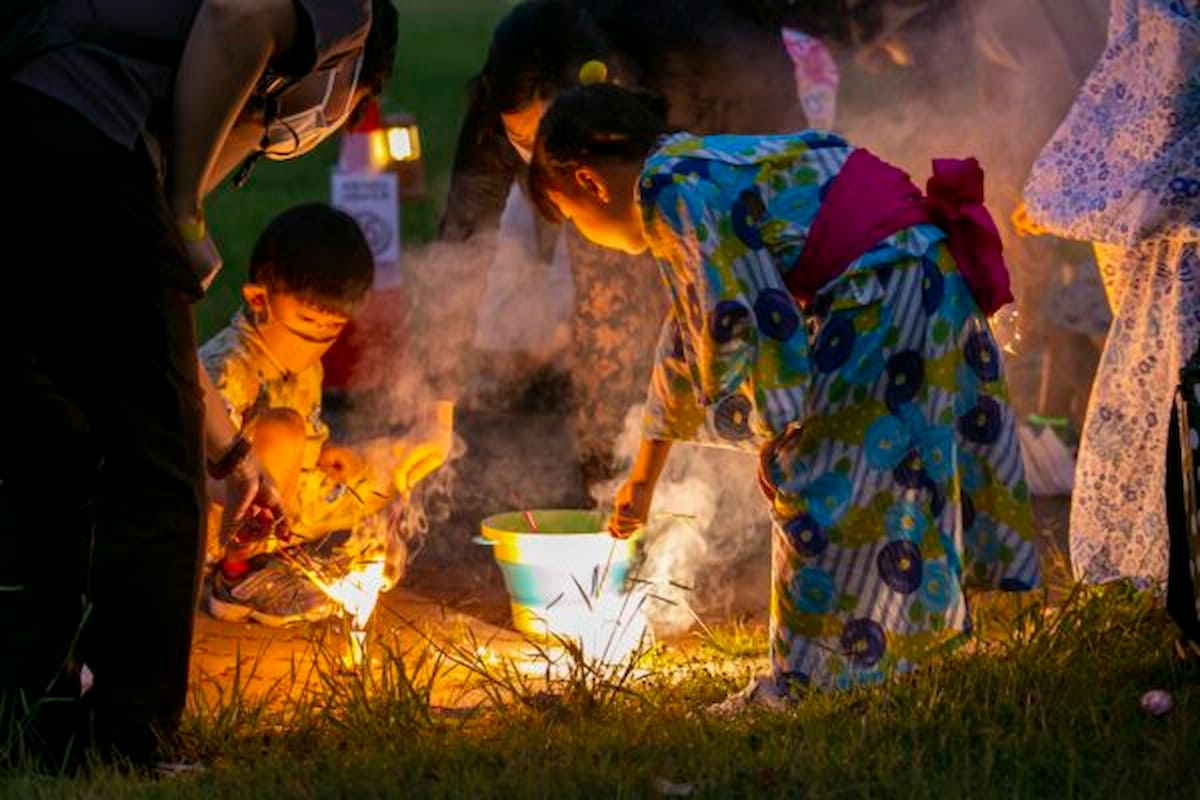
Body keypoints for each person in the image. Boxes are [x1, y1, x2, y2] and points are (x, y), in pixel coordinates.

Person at [529, 84, 1039, 696]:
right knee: (894, 473)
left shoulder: (667, 191)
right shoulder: (688, 165)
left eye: (570, 220)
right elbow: (689, 337)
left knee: (817, 484)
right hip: (919, 270)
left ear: (589, 182)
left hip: (886, 281)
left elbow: (739, 322)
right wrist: (643, 478)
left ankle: (802, 683)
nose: (583, 234)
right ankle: (890, 656)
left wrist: (779, 432)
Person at [0, 0, 397, 766]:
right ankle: (127, 739)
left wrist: (228, 454)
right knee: (155, 475)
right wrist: (181, 206)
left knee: (48, 447)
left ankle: (26, 716)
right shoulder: (353, 11)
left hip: (18, 127)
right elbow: (238, 13)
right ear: (347, 70)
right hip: (80, 132)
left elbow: (154, 337)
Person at [442, 0, 858, 493]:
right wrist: (435, 401)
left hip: (739, 125)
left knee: (745, 322)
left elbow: (775, 231)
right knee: (611, 310)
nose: (536, 166)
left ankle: (740, 489)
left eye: (548, 141)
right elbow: (464, 235)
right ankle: (607, 481)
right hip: (621, 175)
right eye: (522, 141)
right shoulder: (515, 85)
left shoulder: (700, 68)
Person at [200, 203, 454, 627]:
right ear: (259, 299)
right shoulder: (228, 366)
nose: (317, 343)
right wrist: (262, 474)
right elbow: (201, 459)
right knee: (282, 430)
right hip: (216, 513)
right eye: (308, 323)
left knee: (388, 467)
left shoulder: (308, 367)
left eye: (331, 330)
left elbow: (307, 436)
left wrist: (330, 455)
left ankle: (290, 556)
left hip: (281, 502)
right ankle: (239, 578)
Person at [1020, 0, 1200, 589]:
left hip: (1183, 239)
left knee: (1175, 391)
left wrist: (1058, 194)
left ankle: (1174, 566)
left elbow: (1159, 85)